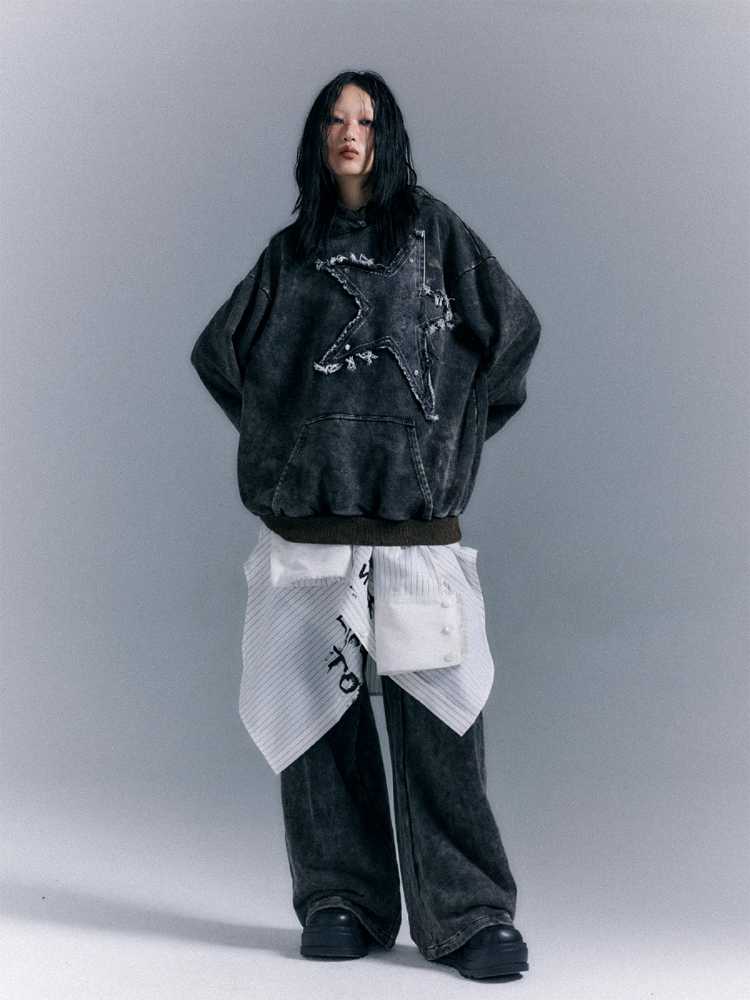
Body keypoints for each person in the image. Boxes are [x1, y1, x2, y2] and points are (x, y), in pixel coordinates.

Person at [190, 69, 542, 981]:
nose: (352, 134)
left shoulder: (436, 236)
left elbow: (512, 335)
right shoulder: (292, 255)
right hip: (310, 537)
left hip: (414, 535)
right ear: (317, 137)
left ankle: (468, 913)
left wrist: (447, 441)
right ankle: (340, 897)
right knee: (319, 724)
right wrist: (286, 449)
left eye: (368, 120)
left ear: (389, 138)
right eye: (337, 120)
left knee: (440, 729)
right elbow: (222, 355)